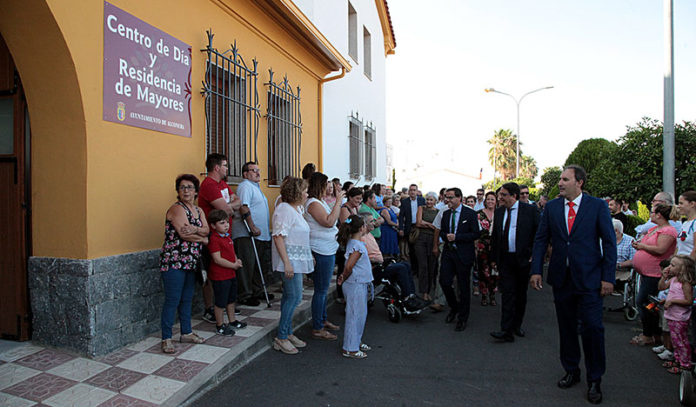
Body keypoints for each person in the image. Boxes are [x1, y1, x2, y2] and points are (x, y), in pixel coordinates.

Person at [530, 165, 616, 405]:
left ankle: (595, 379)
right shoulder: (553, 207)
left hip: (590, 280)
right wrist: (536, 270)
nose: (560, 183)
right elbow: (540, 240)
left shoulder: (597, 206)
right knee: (566, 327)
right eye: (560, 179)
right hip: (562, 279)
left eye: (565, 179)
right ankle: (571, 370)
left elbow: (609, 243)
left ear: (579, 183)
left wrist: (608, 277)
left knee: (592, 329)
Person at [160, 174, 209, 353]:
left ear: (196, 191)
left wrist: (196, 230)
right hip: (174, 261)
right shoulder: (177, 209)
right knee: (172, 300)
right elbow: (183, 234)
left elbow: (207, 229)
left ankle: (186, 332)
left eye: (189, 187)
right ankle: (166, 338)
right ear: (178, 191)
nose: (186, 190)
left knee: (187, 298)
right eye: (182, 187)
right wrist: (202, 239)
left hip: (191, 261)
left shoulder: (199, 211)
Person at [490, 183, 540, 342]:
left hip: (524, 260)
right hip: (505, 260)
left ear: (514, 196)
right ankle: (506, 330)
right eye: (500, 195)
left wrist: (534, 255)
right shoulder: (498, 213)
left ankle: (516, 325)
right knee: (507, 294)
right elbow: (495, 238)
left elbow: (539, 235)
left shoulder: (530, 211)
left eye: (504, 195)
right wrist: (493, 258)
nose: (500, 198)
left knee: (520, 294)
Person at [271, 177, 313, 355]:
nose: (307, 194)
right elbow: (278, 236)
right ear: (296, 192)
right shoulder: (284, 209)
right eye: (304, 191)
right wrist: (287, 262)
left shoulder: (296, 209)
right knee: (294, 297)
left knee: (291, 297)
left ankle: (287, 332)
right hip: (290, 260)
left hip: (297, 259)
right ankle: (281, 337)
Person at [198, 154, 242, 319]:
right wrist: (231, 206)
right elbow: (226, 209)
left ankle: (225, 304)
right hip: (212, 236)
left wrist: (230, 206)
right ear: (216, 167)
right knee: (212, 273)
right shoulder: (209, 185)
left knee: (227, 270)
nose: (227, 169)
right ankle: (210, 308)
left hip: (226, 236)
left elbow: (237, 202)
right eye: (225, 165)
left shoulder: (222, 183)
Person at [630, 203, 678, 347]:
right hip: (646, 273)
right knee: (645, 302)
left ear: (659, 215)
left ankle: (649, 334)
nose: (650, 214)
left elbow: (660, 249)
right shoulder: (653, 229)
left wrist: (642, 246)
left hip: (655, 273)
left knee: (645, 302)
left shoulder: (668, 231)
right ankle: (652, 333)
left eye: (652, 212)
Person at [304, 172, 344, 341]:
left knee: (324, 289)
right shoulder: (313, 203)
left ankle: (323, 319)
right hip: (320, 250)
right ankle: (317, 327)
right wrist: (339, 202)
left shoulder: (318, 201)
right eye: (326, 183)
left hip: (327, 248)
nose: (329, 186)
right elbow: (328, 222)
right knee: (320, 290)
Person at [231, 161, 273, 307]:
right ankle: (245, 294)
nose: (257, 173)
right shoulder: (245, 186)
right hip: (246, 233)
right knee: (248, 264)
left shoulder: (255, 187)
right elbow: (243, 207)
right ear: (245, 174)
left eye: (258, 170)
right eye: (253, 170)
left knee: (258, 264)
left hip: (260, 234)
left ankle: (257, 290)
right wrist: (252, 226)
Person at [438, 187, 480, 332]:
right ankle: (454, 307)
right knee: (444, 281)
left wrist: (458, 237)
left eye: (450, 197)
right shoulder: (446, 214)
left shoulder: (470, 214)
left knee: (463, 287)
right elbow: (442, 232)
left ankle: (463, 317)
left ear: (459, 198)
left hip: (463, 254)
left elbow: (475, 234)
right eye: (446, 197)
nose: (447, 200)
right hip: (449, 253)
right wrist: (446, 237)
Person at [337, 215, 373, 359]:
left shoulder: (355, 243)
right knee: (354, 314)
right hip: (355, 283)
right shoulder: (356, 246)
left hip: (359, 282)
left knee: (360, 314)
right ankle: (350, 347)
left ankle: (356, 341)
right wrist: (343, 276)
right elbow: (349, 266)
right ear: (361, 228)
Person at [206, 209, 247, 336]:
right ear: (213, 226)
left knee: (231, 299)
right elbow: (217, 259)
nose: (226, 225)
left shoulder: (227, 237)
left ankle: (232, 320)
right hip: (220, 276)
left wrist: (236, 260)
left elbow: (232, 252)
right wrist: (233, 265)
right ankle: (220, 325)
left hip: (231, 274)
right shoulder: (214, 239)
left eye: (227, 223)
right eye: (222, 223)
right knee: (220, 302)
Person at [658, 255, 696, 374]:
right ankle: (677, 360)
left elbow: (689, 301)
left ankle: (685, 364)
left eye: (673, 265)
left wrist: (672, 301)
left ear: (682, 269)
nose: (669, 267)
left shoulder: (685, 283)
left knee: (681, 341)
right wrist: (663, 277)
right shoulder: (674, 279)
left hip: (679, 317)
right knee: (675, 340)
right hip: (672, 315)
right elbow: (661, 287)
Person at [413, 192, 439, 301]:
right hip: (420, 239)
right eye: (427, 199)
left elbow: (438, 227)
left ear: (435, 201)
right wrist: (431, 225)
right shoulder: (421, 208)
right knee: (423, 265)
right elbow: (418, 223)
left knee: (431, 266)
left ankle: (428, 291)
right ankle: (423, 292)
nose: (428, 202)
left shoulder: (438, 212)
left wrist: (427, 224)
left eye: (431, 200)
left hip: (433, 239)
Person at [475, 191, 498, 306]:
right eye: (488, 199)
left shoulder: (500, 213)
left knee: (495, 272)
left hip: (496, 248)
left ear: (496, 201)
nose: (490, 201)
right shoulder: (479, 214)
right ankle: (484, 295)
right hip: (482, 247)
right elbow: (475, 232)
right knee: (483, 272)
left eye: (492, 199)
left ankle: (493, 295)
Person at [613, 219, 636, 294]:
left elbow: (633, 260)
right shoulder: (604, 240)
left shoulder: (630, 241)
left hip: (623, 270)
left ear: (616, 231)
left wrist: (619, 265)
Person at [677, 191, 696, 259]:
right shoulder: (685, 223)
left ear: (692, 204)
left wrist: (688, 266)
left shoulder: (694, 224)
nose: (678, 206)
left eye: (681, 203)